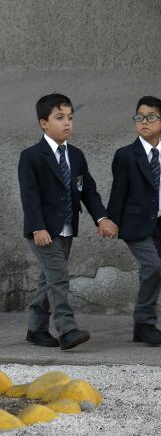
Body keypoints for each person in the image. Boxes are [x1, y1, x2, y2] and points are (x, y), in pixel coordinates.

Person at [18, 93, 118, 350]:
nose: (67, 123)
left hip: (66, 228)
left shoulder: (76, 155)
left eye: (70, 118)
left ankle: (36, 329)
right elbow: (30, 197)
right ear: (43, 123)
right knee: (59, 276)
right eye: (59, 117)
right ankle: (67, 329)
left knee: (49, 279)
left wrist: (102, 218)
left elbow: (88, 191)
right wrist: (38, 227)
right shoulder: (31, 156)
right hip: (42, 230)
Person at [107, 96, 161, 346]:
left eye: (151, 117)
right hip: (135, 225)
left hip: (160, 224)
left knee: (152, 274)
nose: (144, 121)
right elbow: (118, 192)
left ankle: (143, 327)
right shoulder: (125, 155)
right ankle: (144, 322)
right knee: (152, 269)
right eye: (139, 117)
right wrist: (111, 220)